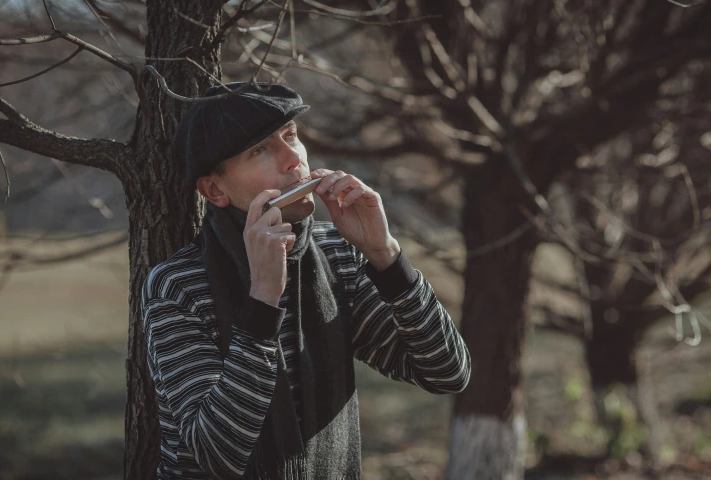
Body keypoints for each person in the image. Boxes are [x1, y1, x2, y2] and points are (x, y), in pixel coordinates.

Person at [141, 82, 470, 480]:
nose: (292, 160)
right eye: (259, 150)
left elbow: (447, 373)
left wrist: (386, 255)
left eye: (291, 136)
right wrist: (262, 298)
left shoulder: (337, 255)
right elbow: (218, 454)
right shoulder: (178, 285)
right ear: (214, 190)